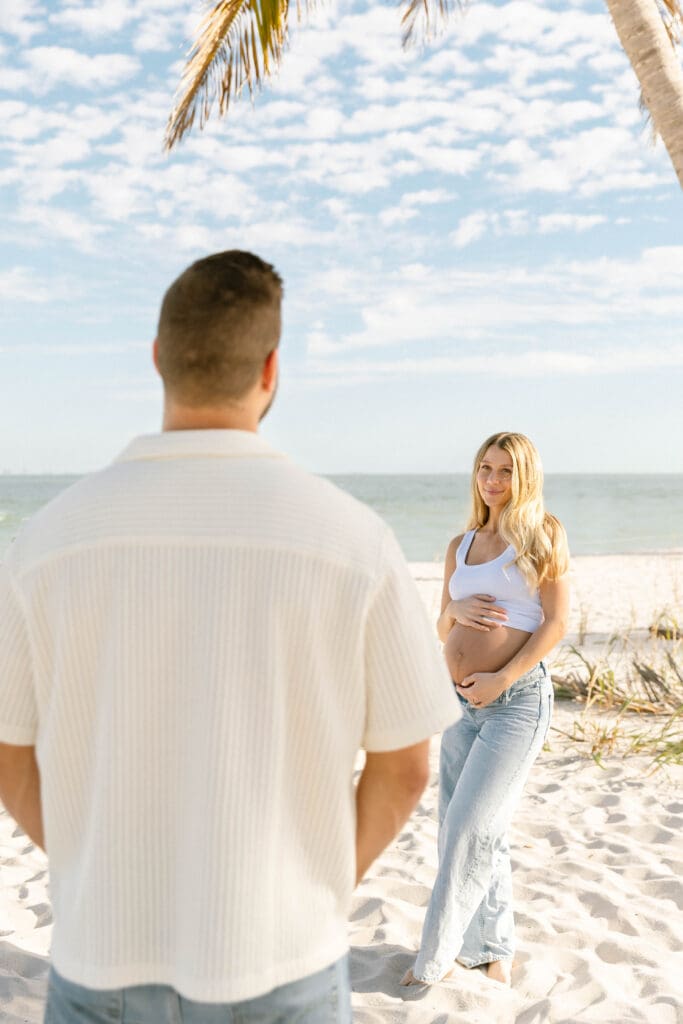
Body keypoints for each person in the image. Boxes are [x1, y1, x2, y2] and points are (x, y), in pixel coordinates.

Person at [0, 250, 461, 1024]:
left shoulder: (45, 542)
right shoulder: (353, 540)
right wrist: (318, 888)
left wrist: (86, 862)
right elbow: (407, 767)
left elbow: (9, 755)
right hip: (284, 955)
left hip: (101, 952)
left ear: (157, 358)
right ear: (272, 368)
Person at [401, 431, 569, 988]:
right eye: (485, 469)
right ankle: (494, 950)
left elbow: (554, 624)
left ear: (526, 478)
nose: (493, 481)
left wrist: (501, 677)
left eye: (505, 471)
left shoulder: (544, 536)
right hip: (459, 707)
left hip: (514, 705)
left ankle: (434, 958)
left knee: (468, 829)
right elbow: (441, 625)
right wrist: (456, 608)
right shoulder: (462, 543)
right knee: (472, 828)